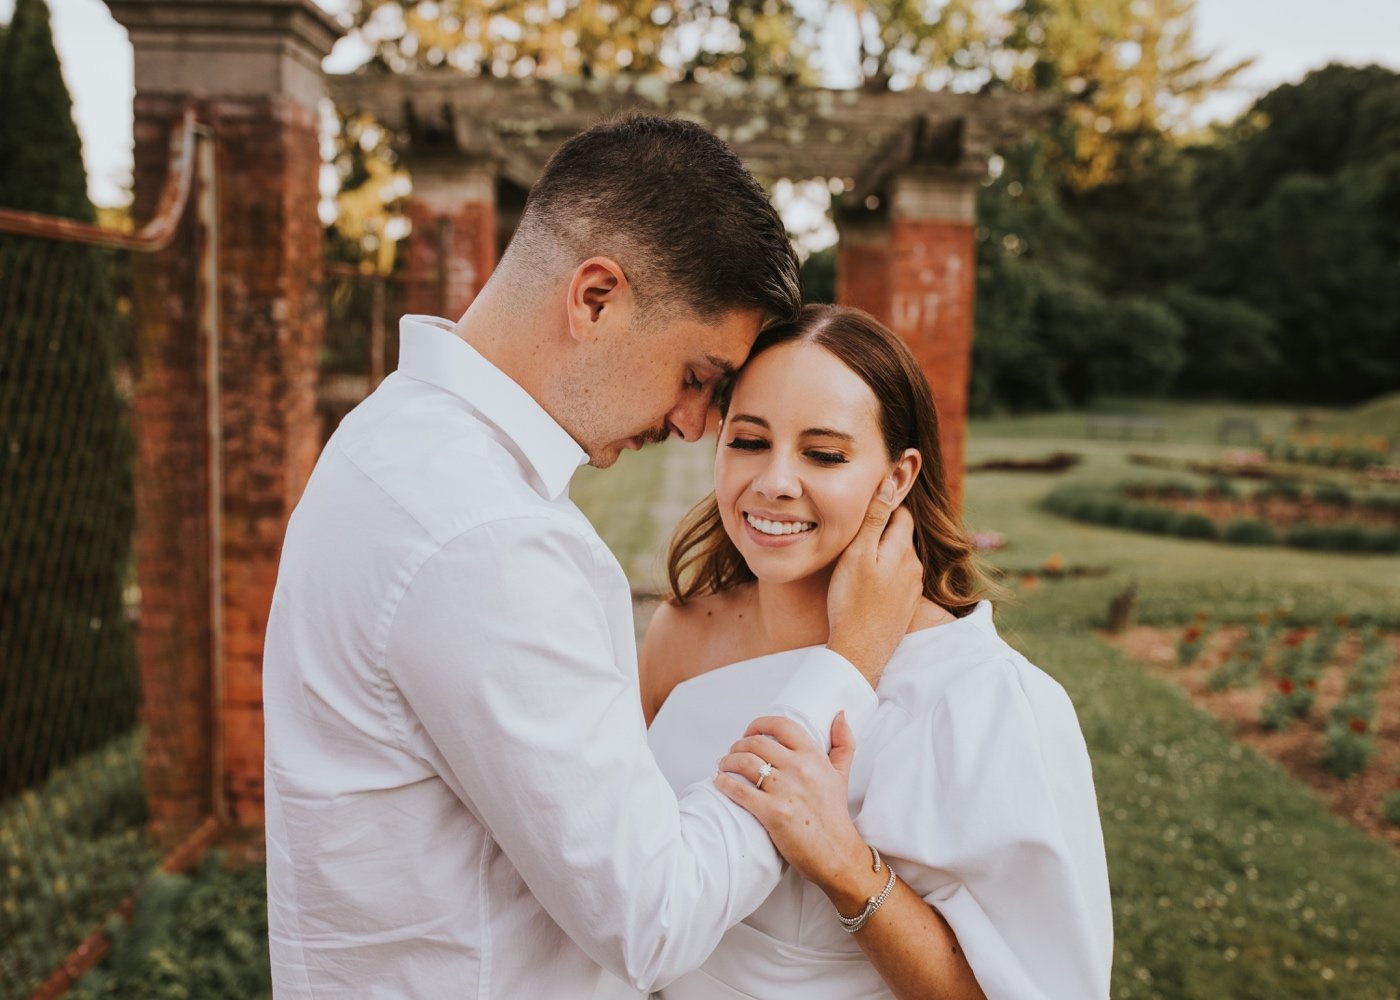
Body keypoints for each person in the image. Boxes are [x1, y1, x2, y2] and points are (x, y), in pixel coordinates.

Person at [262, 117, 924, 998]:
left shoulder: (388, 437)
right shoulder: (485, 538)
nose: (697, 424)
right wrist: (848, 665)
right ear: (597, 297)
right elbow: (655, 918)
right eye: (698, 375)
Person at [643, 304, 1113, 999]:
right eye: (748, 441)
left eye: (823, 454)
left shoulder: (986, 698)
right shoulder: (680, 635)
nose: (774, 480)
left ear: (897, 477)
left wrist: (847, 868)